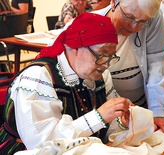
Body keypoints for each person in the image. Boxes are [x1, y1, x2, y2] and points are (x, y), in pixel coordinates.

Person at [0, 12, 154, 155]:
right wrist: (98, 117)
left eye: (111, 56)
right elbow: (42, 144)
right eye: (101, 55)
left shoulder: (100, 75)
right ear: (73, 47)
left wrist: (121, 121)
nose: (107, 64)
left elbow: (107, 129)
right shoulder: (37, 79)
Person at [85, 0, 164, 134]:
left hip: (138, 107)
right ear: (113, 3)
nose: (134, 26)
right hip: (103, 112)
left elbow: (155, 65)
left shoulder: (154, 18)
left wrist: (157, 111)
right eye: (129, 17)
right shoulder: (89, 23)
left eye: (142, 22)